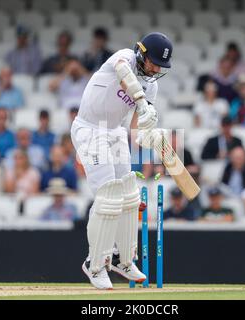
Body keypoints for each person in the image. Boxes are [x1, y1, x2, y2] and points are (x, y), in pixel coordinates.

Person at [71, 32, 173, 289]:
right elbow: (123, 74)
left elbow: (138, 129)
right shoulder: (123, 57)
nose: (156, 69)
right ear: (141, 53)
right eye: (153, 63)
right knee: (108, 196)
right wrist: (141, 102)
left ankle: (123, 259)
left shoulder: (152, 86)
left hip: (116, 131)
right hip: (90, 128)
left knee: (128, 196)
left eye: (161, 66)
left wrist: (151, 127)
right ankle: (95, 264)